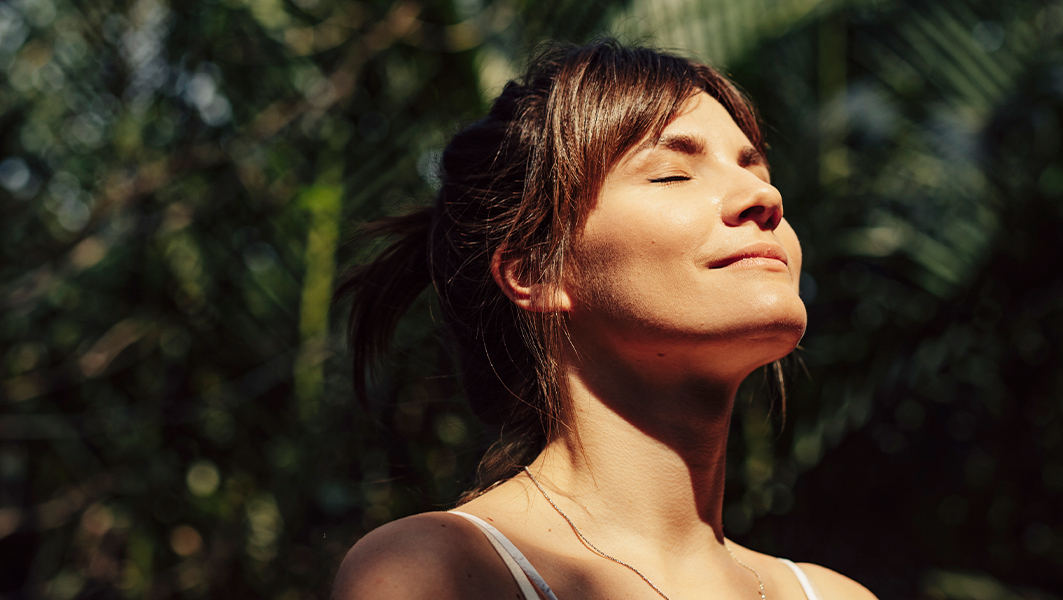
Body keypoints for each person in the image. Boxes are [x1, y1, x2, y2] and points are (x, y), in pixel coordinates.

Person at [333, 39, 877, 600]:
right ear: (536, 272)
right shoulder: (441, 570)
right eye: (671, 174)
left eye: (753, 166)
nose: (764, 196)